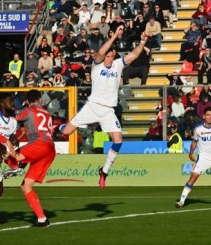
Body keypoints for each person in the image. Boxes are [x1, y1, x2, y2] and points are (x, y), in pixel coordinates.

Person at [60, 26, 149, 188]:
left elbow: (134, 55)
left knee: (118, 140)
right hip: (92, 106)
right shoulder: (97, 66)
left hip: (108, 110)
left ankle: (104, 171)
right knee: (66, 131)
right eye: (108, 56)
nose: (108, 59)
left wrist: (143, 41)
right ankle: (54, 125)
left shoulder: (117, 65)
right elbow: (100, 52)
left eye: (111, 56)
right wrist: (115, 35)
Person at [12, 89, 55, 227]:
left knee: (12, 156)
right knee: (26, 186)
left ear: (27, 101)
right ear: (40, 100)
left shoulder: (29, 110)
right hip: (50, 149)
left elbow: (15, 116)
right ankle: (42, 219)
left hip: (39, 144)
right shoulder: (48, 113)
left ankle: (17, 168)